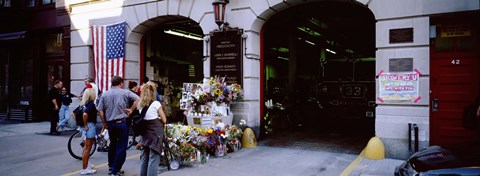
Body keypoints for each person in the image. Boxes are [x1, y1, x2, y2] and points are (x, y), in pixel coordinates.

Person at [97, 76, 139, 176]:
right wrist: (131, 109)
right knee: (121, 146)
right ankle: (115, 170)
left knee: (112, 144)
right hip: (121, 122)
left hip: (110, 123)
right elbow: (138, 99)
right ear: (120, 83)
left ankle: (111, 166)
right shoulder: (125, 92)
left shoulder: (105, 94)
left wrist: (104, 123)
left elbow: (100, 110)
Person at [138, 82, 167, 176]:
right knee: (153, 159)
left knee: (144, 158)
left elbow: (146, 117)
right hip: (155, 134)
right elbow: (164, 119)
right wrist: (158, 118)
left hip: (145, 133)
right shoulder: (156, 103)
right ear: (153, 92)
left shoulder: (140, 104)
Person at [80, 88, 98, 175]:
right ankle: (84, 168)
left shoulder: (85, 103)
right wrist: (86, 124)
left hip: (88, 126)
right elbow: (85, 114)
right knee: (88, 148)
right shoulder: (91, 104)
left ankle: (86, 166)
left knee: (86, 148)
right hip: (90, 126)